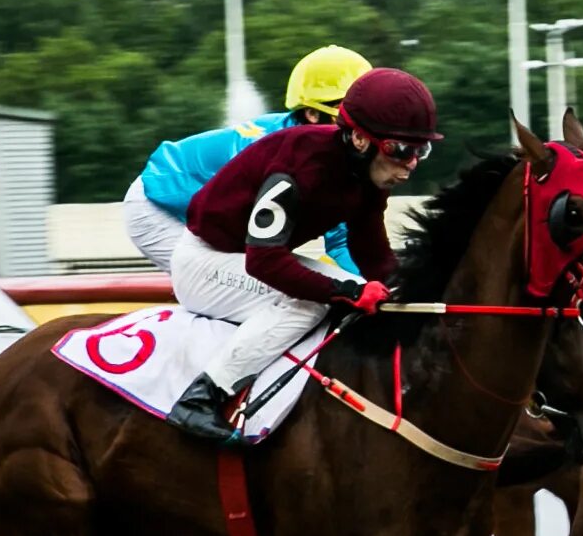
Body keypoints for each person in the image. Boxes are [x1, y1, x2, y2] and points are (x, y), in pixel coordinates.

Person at [165, 68, 439, 442]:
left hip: (243, 258)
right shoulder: (300, 166)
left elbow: (372, 253)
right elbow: (262, 261)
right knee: (317, 302)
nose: (410, 164)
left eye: (421, 149)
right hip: (205, 263)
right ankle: (203, 398)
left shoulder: (370, 176)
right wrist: (349, 292)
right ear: (360, 139)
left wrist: (416, 300)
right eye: (400, 149)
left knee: (358, 288)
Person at [122, 45, 372, 274]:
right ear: (312, 113)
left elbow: (341, 241)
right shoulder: (284, 155)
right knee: (258, 287)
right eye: (349, 115)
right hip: (155, 205)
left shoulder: (333, 157)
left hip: (196, 207)